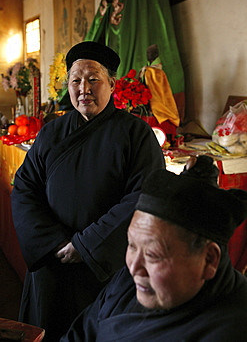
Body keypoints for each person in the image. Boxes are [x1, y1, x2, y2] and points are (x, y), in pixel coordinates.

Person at [11, 41, 165, 341]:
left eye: (93, 78)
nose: (84, 88)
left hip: (103, 268)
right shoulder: (51, 132)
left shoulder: (136, 134)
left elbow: (143, 197)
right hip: (52, 262)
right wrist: (54, 242)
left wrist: (86, 245)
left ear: (112, 83)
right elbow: (24, 188)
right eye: (76, 80)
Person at [60, 156, 247, 341]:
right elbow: (80, 333)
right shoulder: (129, 280)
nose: (134, 267)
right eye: (131, 245)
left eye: (153, 255)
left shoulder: (231, 330)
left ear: (209, 259)